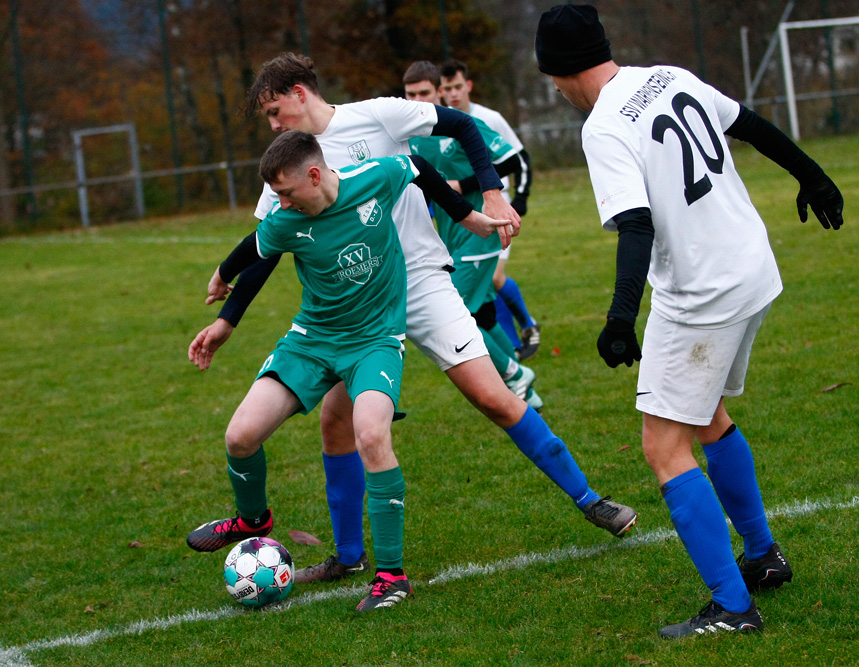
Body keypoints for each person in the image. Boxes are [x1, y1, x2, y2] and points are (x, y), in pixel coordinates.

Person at [187, 54, 637, 588]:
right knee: (336, 422)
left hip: (420, 283)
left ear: (301, 93)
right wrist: (229, 321)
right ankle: (348, 556)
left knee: (493, 398)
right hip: (355, 308)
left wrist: (485, 197)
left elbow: (455, 134)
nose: (274, 125)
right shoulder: (287, 166)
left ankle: (590, 500)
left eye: (275, 110)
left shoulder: (377, 115)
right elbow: (267, 246)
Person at [535, 4, 844, 639]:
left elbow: (636, 224)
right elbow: (751, 125)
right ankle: (762, 557)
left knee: (662, 445)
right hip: (752, 266)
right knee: (704, 417)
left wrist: (622, 317)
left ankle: (733, 608)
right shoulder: (668, 75)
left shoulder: (601, 126)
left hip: (702, 294)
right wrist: (813, 176)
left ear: (560, 73)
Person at [188, 129, 507, 611]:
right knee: (240, 436)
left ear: (314, 175)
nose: (282, 204)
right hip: (313, 340)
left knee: (372, 437)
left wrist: (470, 218)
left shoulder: (372, 177)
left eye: (287, 193)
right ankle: (253, 520)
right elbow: (253, 246)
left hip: (375, 340)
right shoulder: (285, 221)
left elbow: (418, 166)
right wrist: (221, 278)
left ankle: (391, 577)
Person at [403, 60, 542, 410]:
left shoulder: (461, 126)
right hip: (449, 235)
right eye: (410, 94)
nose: (418, 99)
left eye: (424, 93)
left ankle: (513, 374)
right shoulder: (407, 132)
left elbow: (512, 160)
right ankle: (523, 384)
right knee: (481, 314)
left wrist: (461, 185)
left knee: (456, 314)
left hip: (481, 233)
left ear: (439, 92)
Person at [440, 59, 542, 360]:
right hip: (468, 220)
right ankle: (513, 351)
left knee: (493, 280)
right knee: (487, 288)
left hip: (498, 210)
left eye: (458, 86)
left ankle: (526, 327)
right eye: (447, 89)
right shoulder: (441, 122)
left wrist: (520, 199)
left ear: (468, 85)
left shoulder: (489, 118)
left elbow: (518, 159)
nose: (453, 93)